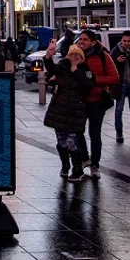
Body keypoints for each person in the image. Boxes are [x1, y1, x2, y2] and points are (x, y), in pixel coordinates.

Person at [48, 29, 118, 178]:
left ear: (93, 42)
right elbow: (60, 71)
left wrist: (95, 80)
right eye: (80, 39)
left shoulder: (103, 56)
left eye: (85, 39)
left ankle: (95, 165)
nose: (81, 42)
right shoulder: (74, 56)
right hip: (77, 103)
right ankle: (83, 159)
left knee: (95, 133)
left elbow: (114, 78)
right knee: (76, 134)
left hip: (96, 101)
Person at [44, 44, 95, 182]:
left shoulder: (85, 70)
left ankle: (77, 169)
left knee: (72, 141)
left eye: (77, 55)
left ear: (81, 57)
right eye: (71, 54)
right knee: (61, 142)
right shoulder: (62, 67)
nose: (74, 57)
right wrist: (48, 56)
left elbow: (88, 85)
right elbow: (51, 68)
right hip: (59, 109)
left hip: (75, 110)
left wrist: (75, 70)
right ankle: (65, 165)